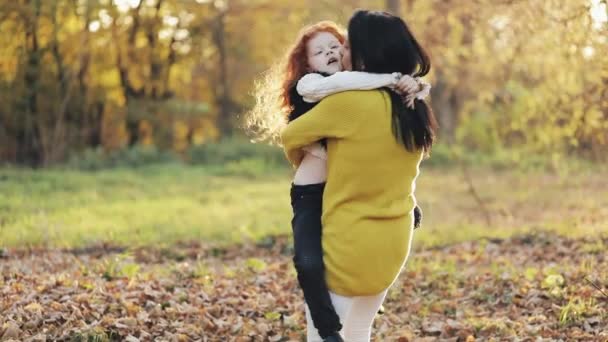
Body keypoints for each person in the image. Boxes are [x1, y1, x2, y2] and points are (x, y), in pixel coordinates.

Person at [280, 10, 438, 341]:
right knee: (359, 330)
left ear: (366, 52)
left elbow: (291, 136)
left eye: (348, 46)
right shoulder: (414, 104)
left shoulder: (347, 103)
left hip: (349, 245)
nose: (340, 53)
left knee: (326, 337)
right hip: (394, 243)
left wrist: (318, 156)